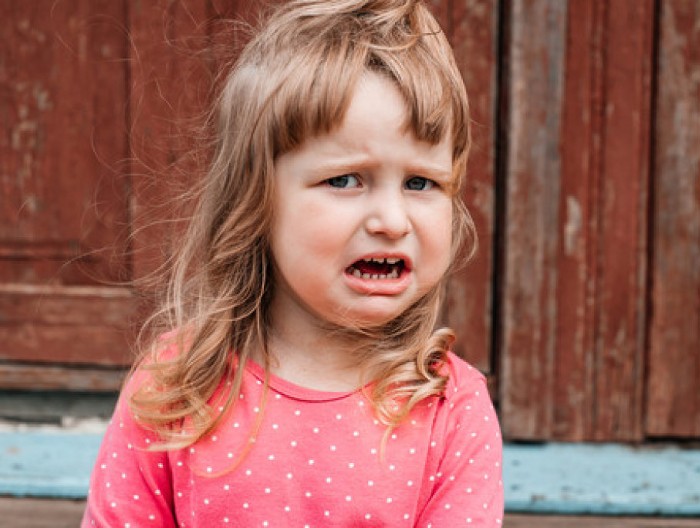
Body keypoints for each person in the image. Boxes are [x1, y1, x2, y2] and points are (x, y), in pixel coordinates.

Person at [82, 0, 504, 525]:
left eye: (421, 183)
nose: (393, 220)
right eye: (346, 180)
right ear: (257, 199)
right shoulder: (174, 388)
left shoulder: (452, 411)